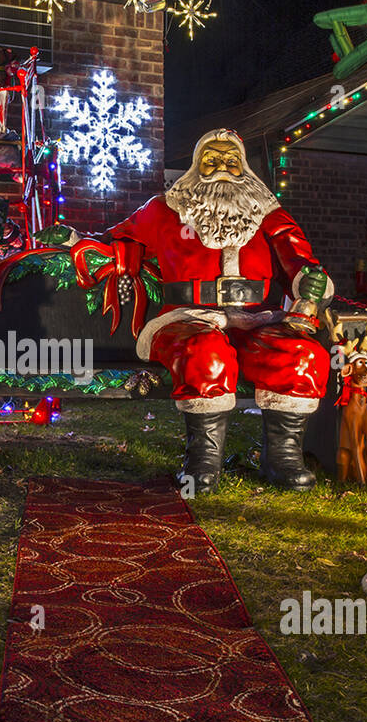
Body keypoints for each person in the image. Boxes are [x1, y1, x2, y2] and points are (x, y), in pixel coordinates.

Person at [76, 129, 333, 493]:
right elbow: (117, 238)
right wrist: (77, 241)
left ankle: (283, 458)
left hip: (257, 319)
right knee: (205, 353)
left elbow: (300, 260)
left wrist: (309, 282)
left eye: (232, 159)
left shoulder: (269, 213)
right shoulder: (164, 209)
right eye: (212, 159)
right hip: (187, 317)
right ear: (197, 164)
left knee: (300, 354)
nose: (223, 167)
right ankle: (204, 459)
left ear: (244, 166)